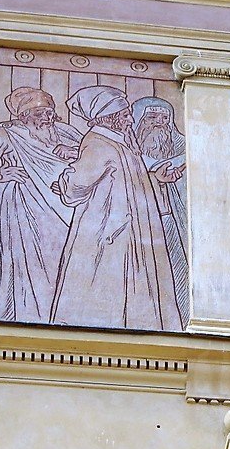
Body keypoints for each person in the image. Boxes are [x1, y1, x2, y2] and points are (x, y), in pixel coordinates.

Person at [50, 85, 183, 330]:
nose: (130, 120)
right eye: (124, 115)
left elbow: (129, 183)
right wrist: (63, 182)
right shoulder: (99, 144)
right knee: (103, 278)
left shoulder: (118, 143)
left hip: (131, 227)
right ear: (109, 118)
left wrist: (156, 178)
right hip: (109, 231)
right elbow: (78, 184)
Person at [0, 87, 81, 321]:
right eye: (39, 113)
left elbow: (89, 154)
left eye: (49, 112)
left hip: (61, 206)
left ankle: (56, 314)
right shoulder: (9, 133)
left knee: (58, 260)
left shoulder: (66, 133)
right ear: (24, 116)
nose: (46, 118)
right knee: (24, 263)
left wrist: (73, 151)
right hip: (18, 204)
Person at [132, 96, 189, 320]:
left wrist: (174, 179)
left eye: (165, 118)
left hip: (170, 223)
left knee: (175, 274)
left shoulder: (182, 149)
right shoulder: (125, 152)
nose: (159, 123)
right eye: (152, 117)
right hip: (137, 227)